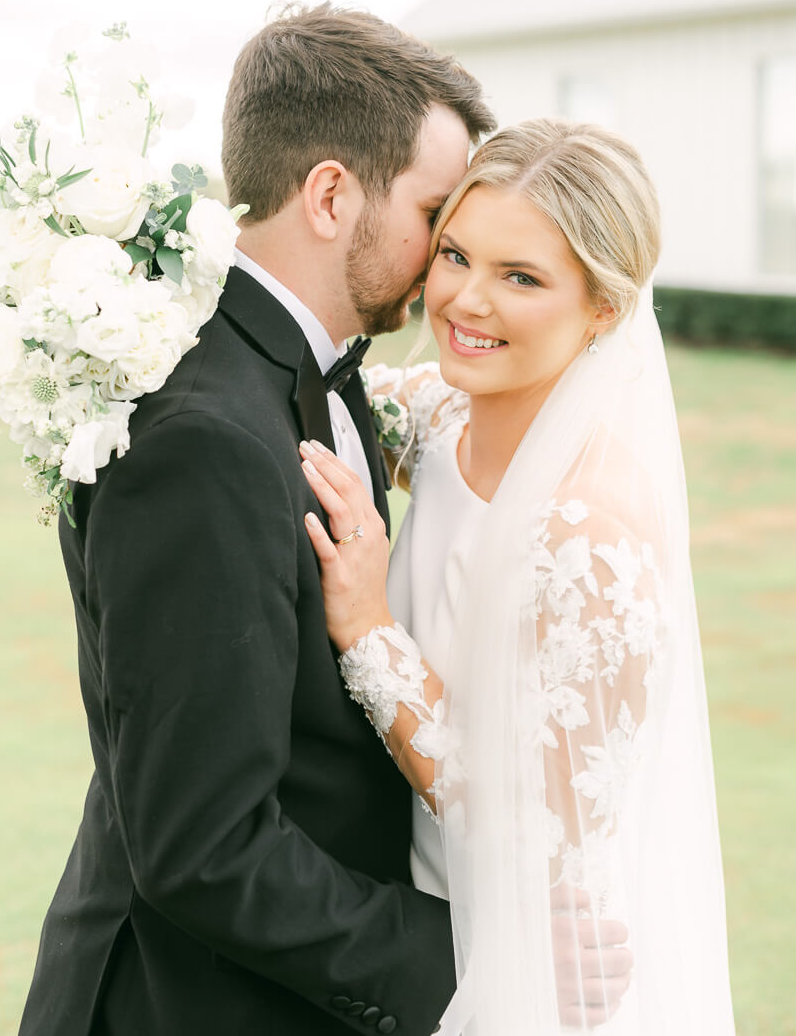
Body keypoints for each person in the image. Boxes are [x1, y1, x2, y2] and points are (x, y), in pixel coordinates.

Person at [18, 10, 630, 1036]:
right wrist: (478, 957)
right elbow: (203, 847)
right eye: (438, 214)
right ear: (333, 194)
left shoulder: (325, 380)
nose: (447, 254)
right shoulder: (207, 440)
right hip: (182, 1007)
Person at [300, 119, 737, 1033]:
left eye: (522, 277)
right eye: (456, 254)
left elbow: (527, 826)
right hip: (406, 912)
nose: (465, 300)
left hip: (532, 963)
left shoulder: (593, 534)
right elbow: (296, 400)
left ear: (604, 309)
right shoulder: (439, 418)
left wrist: (370, 627)